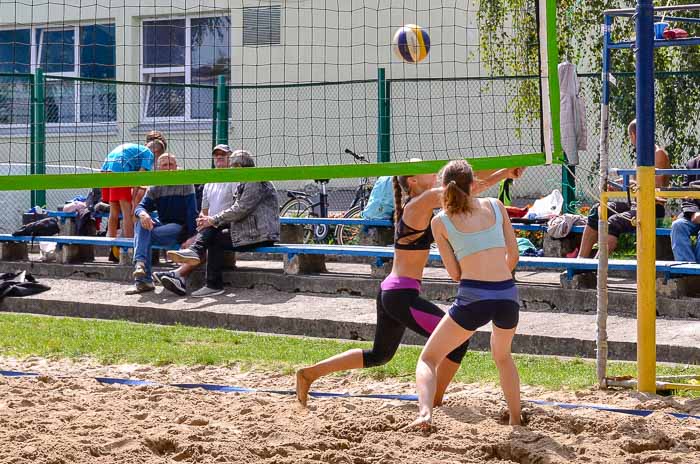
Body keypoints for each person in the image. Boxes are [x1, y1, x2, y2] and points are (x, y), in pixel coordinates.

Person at [295, 162, 524, 407]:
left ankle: (310, 374)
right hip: (400, 295)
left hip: (393, 291)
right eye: (423, 168)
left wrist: (504, 172)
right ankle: (435, 401)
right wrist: (502, 173)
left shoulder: (421, 202)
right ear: (412, 181)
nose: (431, 169)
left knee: (379, 355)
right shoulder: (419, 204)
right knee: (457, 344)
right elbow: (466, 188)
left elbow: (467, 182)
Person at [410, 159, 521, 431]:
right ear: (473, 185)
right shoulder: (496, 207)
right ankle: (516, 419)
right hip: (507, 295)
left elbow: (455, 274)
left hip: (473, 297)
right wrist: (497, 278)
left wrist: (479, 277)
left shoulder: (441, 222)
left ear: (442, 187)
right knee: (503, 357)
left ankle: (425, 413)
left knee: (428, 359)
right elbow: (514, 256)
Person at [166, 150, 280, 298]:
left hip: (262, 234)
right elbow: (235, 212)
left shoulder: (254, 180)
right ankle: (195, 257)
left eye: (232, 166)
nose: (230, 169)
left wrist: (212, 220)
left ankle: (212, 282)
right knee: (214, 228)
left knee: (216, 235)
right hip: (249, 230)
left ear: (239, 166)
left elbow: (240, 209)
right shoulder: (245, 181)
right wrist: (210, 220)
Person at [578, 120, 670, 258]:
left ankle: (596, 267)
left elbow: (654, 186)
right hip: (635, 205)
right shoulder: (643, 155)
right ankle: (581, 261)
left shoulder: (658, 154)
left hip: (651, 208)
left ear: (633, 135)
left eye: (630, 138)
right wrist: (619, 184)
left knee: (614, 222)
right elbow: (636, 182)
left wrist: (630, 183)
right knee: (598, 209)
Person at [157, 144, 237, 295]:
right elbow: (203, 212)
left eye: (223, 154)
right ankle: (179, 276)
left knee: (209, 238)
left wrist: (210, 222)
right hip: (210, 228)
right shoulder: (209, 181)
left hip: (228, 226)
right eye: (216, 154)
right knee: (202, 237)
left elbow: (236, 210)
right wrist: (199, 227)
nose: (219, 157)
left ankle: (180, 273)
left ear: (230, 158)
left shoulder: (234, 179)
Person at [127, 153, 198, 295]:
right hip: (162, 225)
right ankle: (141, 268)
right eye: (165, 165)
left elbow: (192, 213)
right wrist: (143, 214)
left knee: (142, 235)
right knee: (142, 224)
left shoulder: (185, 182)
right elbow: (140, 207)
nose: (168, 168)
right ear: (159, 169)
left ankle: (143, 279)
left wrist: (191, 237)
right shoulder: (155, 185)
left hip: (179, 227)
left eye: (171, 164)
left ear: (176, 166)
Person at [101, 140, 165, 242]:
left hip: (105, 169)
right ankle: (129, 245)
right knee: (128, 213)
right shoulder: (148, 153)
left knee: (114, 212)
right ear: (156, 152)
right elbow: (138, 178)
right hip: (120, 170)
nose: (154, 161)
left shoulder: (137, 149)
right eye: (157, 158)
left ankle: (111, 245)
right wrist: (133, 199)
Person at [671, 154, 700, 262]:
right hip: (692, 212)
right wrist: (694, 213)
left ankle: (697, 272)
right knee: (678, 225)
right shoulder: (692, 164)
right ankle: (687, 270)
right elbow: (685, 194)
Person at [133, 131, 169, 208]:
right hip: (135, 189)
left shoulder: (163, 161)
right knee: (139, 192)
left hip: (156, 192)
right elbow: (139, 179)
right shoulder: (143, 156)